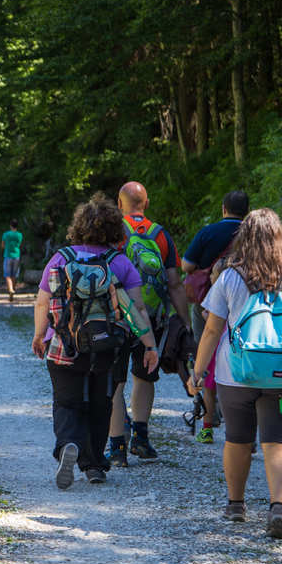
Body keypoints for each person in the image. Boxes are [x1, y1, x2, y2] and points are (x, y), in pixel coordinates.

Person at [188, 208, 282, 539]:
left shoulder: (231, 277)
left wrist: (198, 371)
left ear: (243, 238)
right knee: (278, 442)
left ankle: (236, 504)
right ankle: (278, 507)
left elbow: (212, 329)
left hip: (237, 375)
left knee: (237, 438)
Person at [32, 193, 159, 489]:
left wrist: (40, 335)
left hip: (64, 344)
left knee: (66, 401)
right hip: (107, 346)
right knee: (102, 402)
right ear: (116, 229)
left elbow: (43, 301)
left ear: (79, 226)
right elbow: (137, 308)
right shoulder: (120, 262)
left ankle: (67, 445)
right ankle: (95, 466)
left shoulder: (61, 257)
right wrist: (149, 345)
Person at [106, 181, 193, 466]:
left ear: (119, 204)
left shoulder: (112, 232)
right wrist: (184, 320)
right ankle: (141, 439)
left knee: (115, 382)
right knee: (145, 375)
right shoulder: (160, 234)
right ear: (147, 202)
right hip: (151, 317)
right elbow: (175, 282)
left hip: (118, 315)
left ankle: (117, 447)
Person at [182, 190, 248, 442]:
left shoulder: (208, 232)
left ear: (223, 209)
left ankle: (208, 424)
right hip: (244, 305)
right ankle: (245, 429)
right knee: (240, 358)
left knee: (207, 356)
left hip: (208, 303)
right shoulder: (254, 235)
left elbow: (186, 265)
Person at [1, 220, 23, 301]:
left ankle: (10, 289)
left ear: (10, 225)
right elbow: (20, 245)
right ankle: (13, 290)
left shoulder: (6, 234)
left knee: (7, 275)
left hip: (8, 255)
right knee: (14, 275)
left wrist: (5, 247)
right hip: (17, 255)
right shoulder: (19, 235)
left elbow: (2, 245)